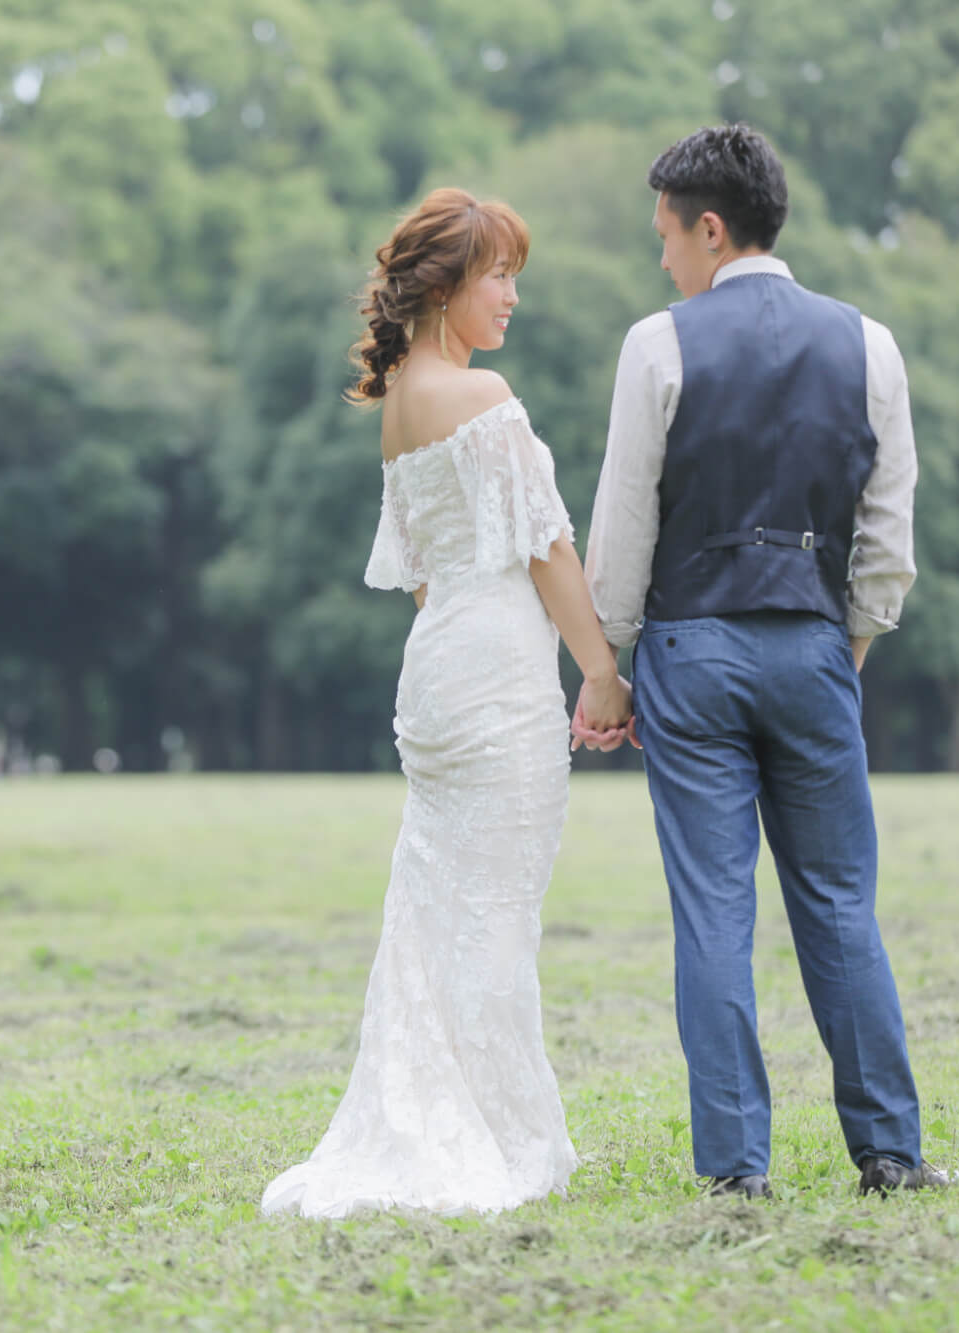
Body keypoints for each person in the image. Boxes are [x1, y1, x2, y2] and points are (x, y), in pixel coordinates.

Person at [578, 125, 944, 1199]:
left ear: (708, 227)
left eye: (664, 238)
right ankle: (887, 1152)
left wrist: (610, 660)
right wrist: (848, 641)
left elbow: (622, 525)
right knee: (838, 903)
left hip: (690, 649)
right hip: (813, 646)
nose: (660, 261)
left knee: (712, 913)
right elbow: (888, 535)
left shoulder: (657, 343)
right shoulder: (869, 344)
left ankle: (735, 1170)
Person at [261, 187, 634, 1218]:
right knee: (495, 913)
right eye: (498, 275)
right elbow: (547, 546)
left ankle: (434, 1111)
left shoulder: (401, 409)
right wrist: (598, 668)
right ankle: (497, 1135)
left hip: (434, 669)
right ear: (443, 286)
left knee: (434, 908)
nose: (512, 297)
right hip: (498, 669)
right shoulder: (483, 399)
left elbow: (425, 575)